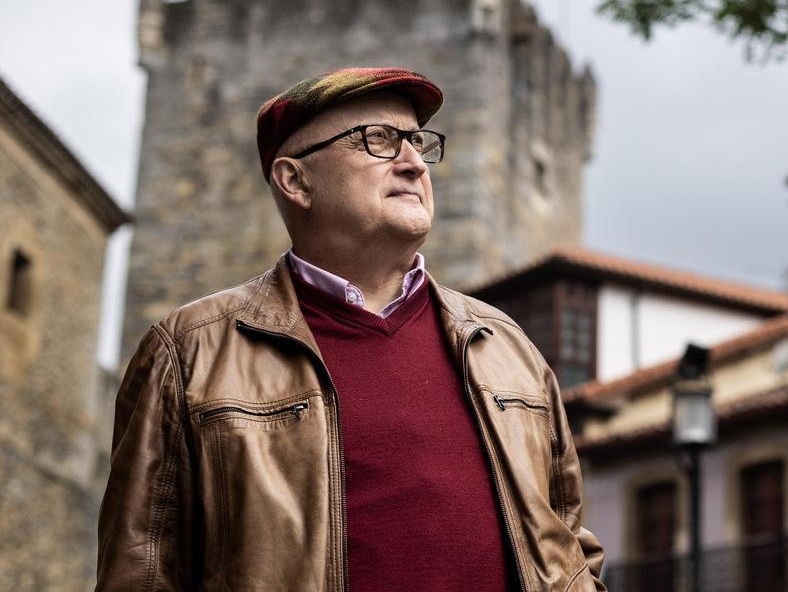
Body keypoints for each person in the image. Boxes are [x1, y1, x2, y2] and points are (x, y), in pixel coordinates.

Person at [96, 67, 606, 591]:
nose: (413, 163)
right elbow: (141, 572)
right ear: (296, 181)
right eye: (378, 139)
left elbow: (568, 545)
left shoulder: (506, 346)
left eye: (417, 142)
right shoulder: (189, 351)